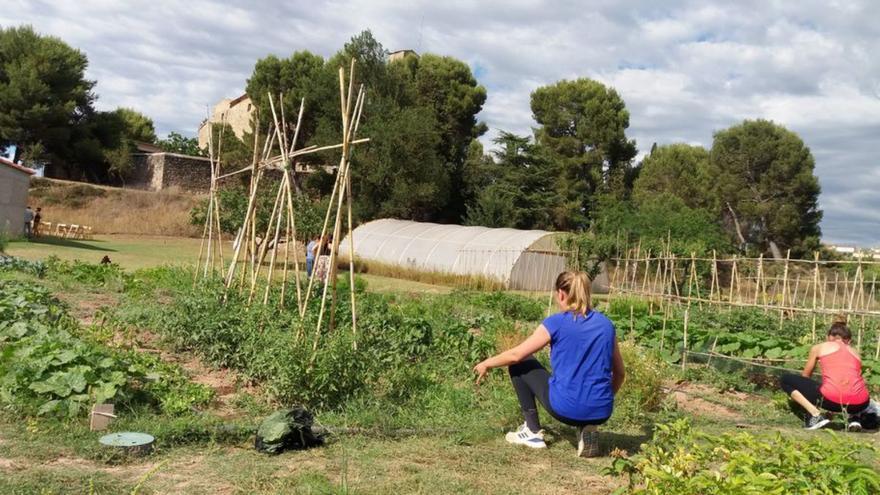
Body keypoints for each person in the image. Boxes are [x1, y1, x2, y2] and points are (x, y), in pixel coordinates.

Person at [473, 271, 626, 457]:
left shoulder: (556, 323)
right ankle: (587, 425)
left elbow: (516, 355)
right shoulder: (606, 325)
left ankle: (532, 431)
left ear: (561, 294)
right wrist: (602, 399)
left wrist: (487, 363)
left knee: (522, 363)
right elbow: (619, 374)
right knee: (584, 395)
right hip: (602, 411)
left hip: (565, 408)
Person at [780, 316, 871, 430]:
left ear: (828, 337)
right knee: (855, 387)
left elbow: (806, 376)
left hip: (832, 400)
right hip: (861, 403)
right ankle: (854, 419)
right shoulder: (856, 353)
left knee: (786, 379)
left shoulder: (819, 347)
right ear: (849, 340)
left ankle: (815, 415)